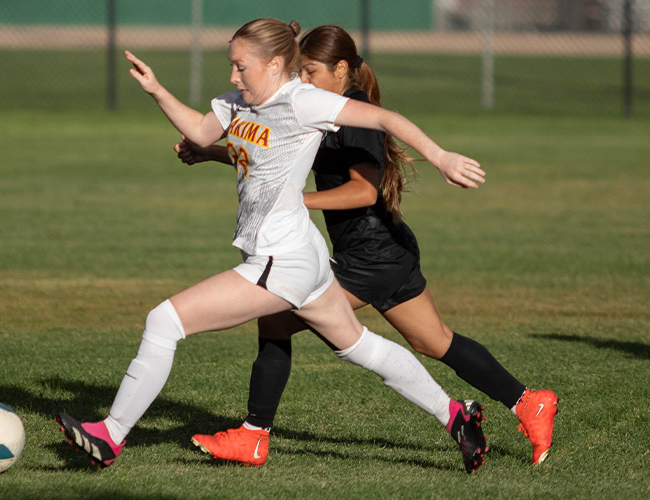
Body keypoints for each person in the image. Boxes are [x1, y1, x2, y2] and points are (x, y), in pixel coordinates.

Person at [55, 18, 490, 474]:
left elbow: (383, 118)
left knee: (163, 321)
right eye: (231, 66)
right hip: (305, 255)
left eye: (241, 67)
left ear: (275, 63)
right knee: (360, 345)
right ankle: (455, 414)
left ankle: (111, 435)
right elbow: (203, 133)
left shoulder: (302, 102)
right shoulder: (238, 103)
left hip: (281, 261)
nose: (232, 76)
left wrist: (441, 156)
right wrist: (158, 91)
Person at [179, 24, 557, 467]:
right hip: (389, 252)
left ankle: (254, 434)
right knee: (435, 342)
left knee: (276, 322)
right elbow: (268, 157)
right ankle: (529, 402)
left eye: (312, 71)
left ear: (342, 69)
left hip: (370, 255)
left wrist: (294, 201)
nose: (303, 80)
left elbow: (364, 192)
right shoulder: (321, 107)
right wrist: (211, 153)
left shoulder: (352, 114)